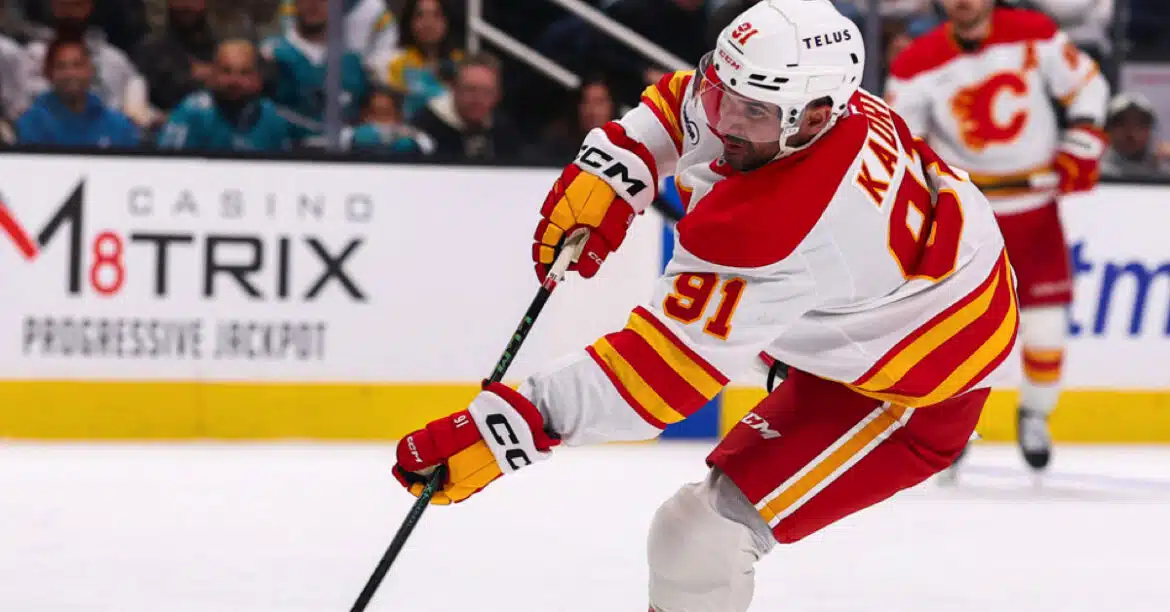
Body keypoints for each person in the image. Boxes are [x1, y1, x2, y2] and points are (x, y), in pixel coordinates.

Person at [392, 2, 1018, 610]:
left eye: (749, 110)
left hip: (919, 387)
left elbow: (659, 377)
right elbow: (685, 102)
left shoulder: (776, 225)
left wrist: (510, 427)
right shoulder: (805, 103)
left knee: (698, 539)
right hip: (897, 298)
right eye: (725, 91)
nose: (723, 121)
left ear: (816, 117)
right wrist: (620, 160)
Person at [884, 0, 1109, 472]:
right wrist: (930, 187)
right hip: (968, 212)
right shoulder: (916, 61)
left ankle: (1035, 415)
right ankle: (950, 424)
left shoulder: (1032, 32)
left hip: (1034, 208)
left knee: (1046, 326)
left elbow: (1087, 84)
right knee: (954, 328)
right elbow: (903, 138)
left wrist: (1083, 138)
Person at [260, 0, 369, 143]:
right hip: (286, 156)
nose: (314, 3)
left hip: (342, 159)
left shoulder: (353, 62)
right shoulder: (271, 53)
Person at [157, 40, 293, 152]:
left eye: (244, 73)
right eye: (226, 71)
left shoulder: (271, 116)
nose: (235, 81)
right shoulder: (192, 111)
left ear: (257, 79)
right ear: (212, 75)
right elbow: (167, 165)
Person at [16, 35, 139, 147]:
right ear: (49, 73)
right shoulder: (32, 123)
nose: (70, 73)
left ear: (90, 70)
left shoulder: (119, 125)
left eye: (77, 65)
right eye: (61, 66)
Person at [1100, 92, 1170, 179]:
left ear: (1151, 130)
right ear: (1108, 129)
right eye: (1121, 123)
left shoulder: (1164, 164)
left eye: (1140, 124)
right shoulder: (1096, 168)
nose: (1130, 132)